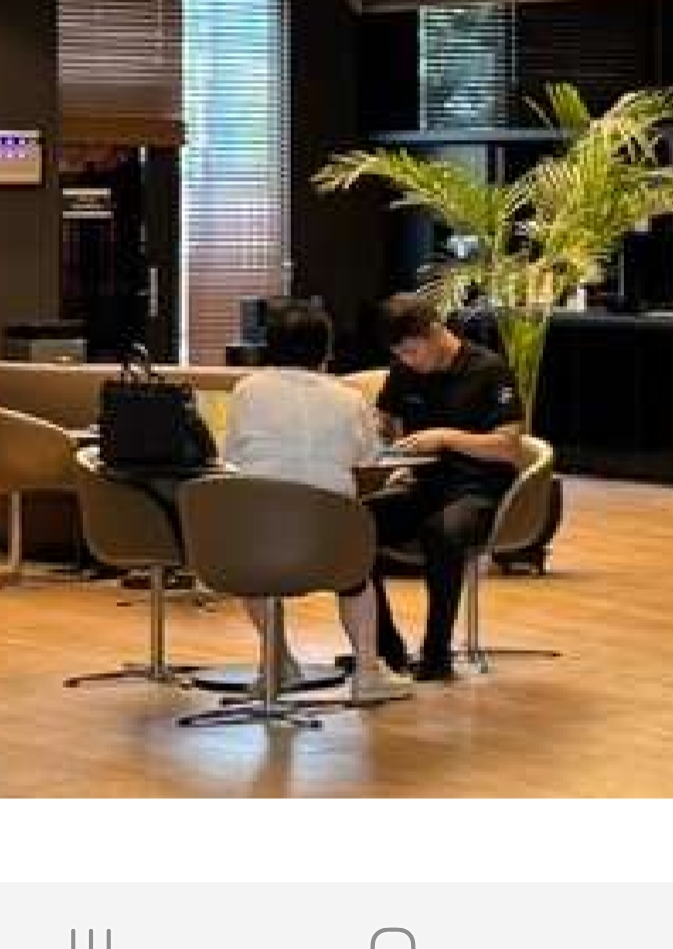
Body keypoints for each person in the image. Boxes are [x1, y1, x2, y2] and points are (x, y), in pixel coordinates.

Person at [221, 298, 412, 704]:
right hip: (330, 546)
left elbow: (232, 455)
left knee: (249, 561)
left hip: (255, 545)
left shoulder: (246, 391)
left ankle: (277, 661)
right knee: (357, 575)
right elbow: (369, 459)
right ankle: (367, 672)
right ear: (326, 349)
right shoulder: (348, 398)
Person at [369, 292, 524, 682]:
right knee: (355, 527)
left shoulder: (488, 370)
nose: (407, 361)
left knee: (442, 532)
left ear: (435, 331)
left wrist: (445, 438)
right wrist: (381, 438)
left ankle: (437, 653)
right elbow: (383, 421)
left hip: (477, 487)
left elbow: (508, 447)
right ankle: (384, 649)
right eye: (398, 354)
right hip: (421, 484)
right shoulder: (404, 372)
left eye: (411, 351)